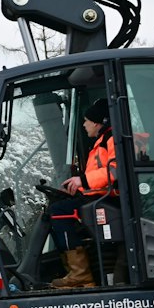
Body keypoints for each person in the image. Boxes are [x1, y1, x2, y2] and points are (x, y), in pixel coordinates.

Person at [45, 100, 117, 288]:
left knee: (60, 212)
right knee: (58, 208)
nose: (84, 125)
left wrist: (82, 181)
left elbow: (116, 172)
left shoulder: (112, 140)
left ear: (96, 122)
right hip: (102, 195)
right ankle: (75, 271)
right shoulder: (102, 141)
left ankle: (80, 274)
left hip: (111, 199)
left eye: (86, 121)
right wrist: (77, 188)